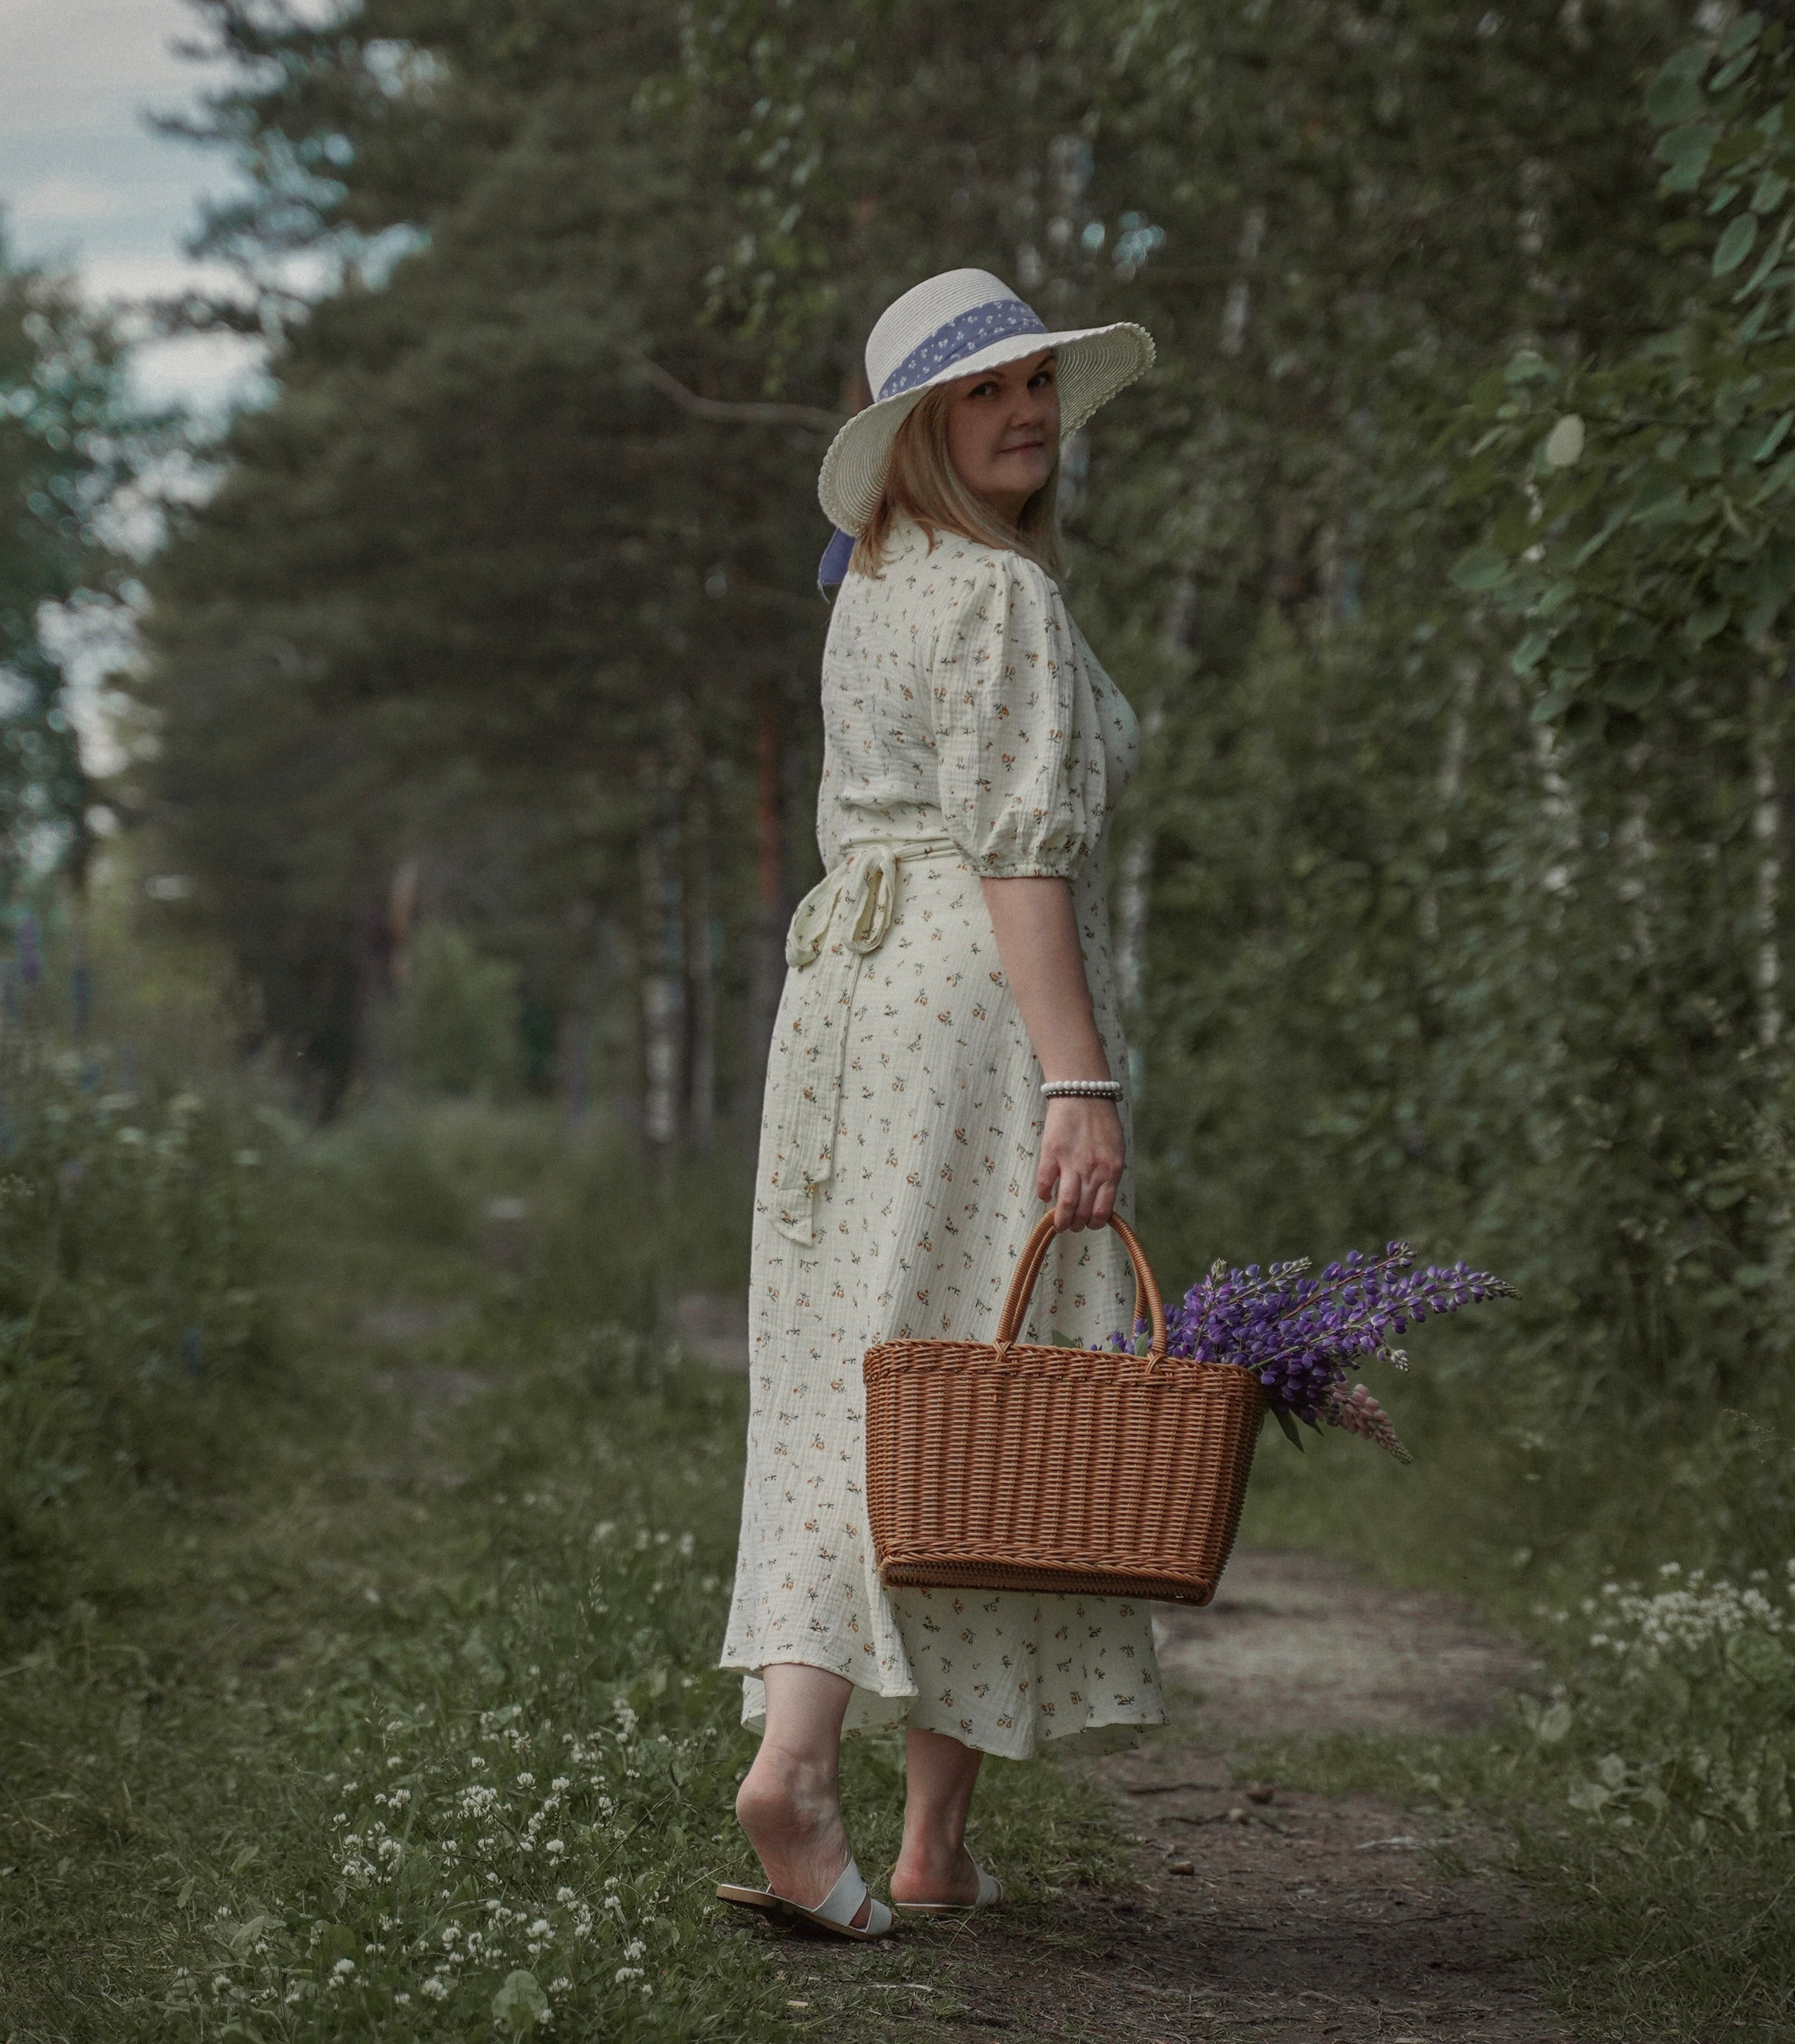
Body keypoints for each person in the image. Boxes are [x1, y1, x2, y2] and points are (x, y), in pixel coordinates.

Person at [716, 269, 1166, 1939]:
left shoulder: (879, 584)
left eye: (1037, 385)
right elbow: (1019, 852)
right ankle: (826, 1782)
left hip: (841, 999)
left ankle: (898, 1827)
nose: (1027, 413)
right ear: (918, 427)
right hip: (970, 1009)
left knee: (885, 1378)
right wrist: (1076, 1072)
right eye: (986, 395)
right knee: (986, 1388)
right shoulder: (992, 595)